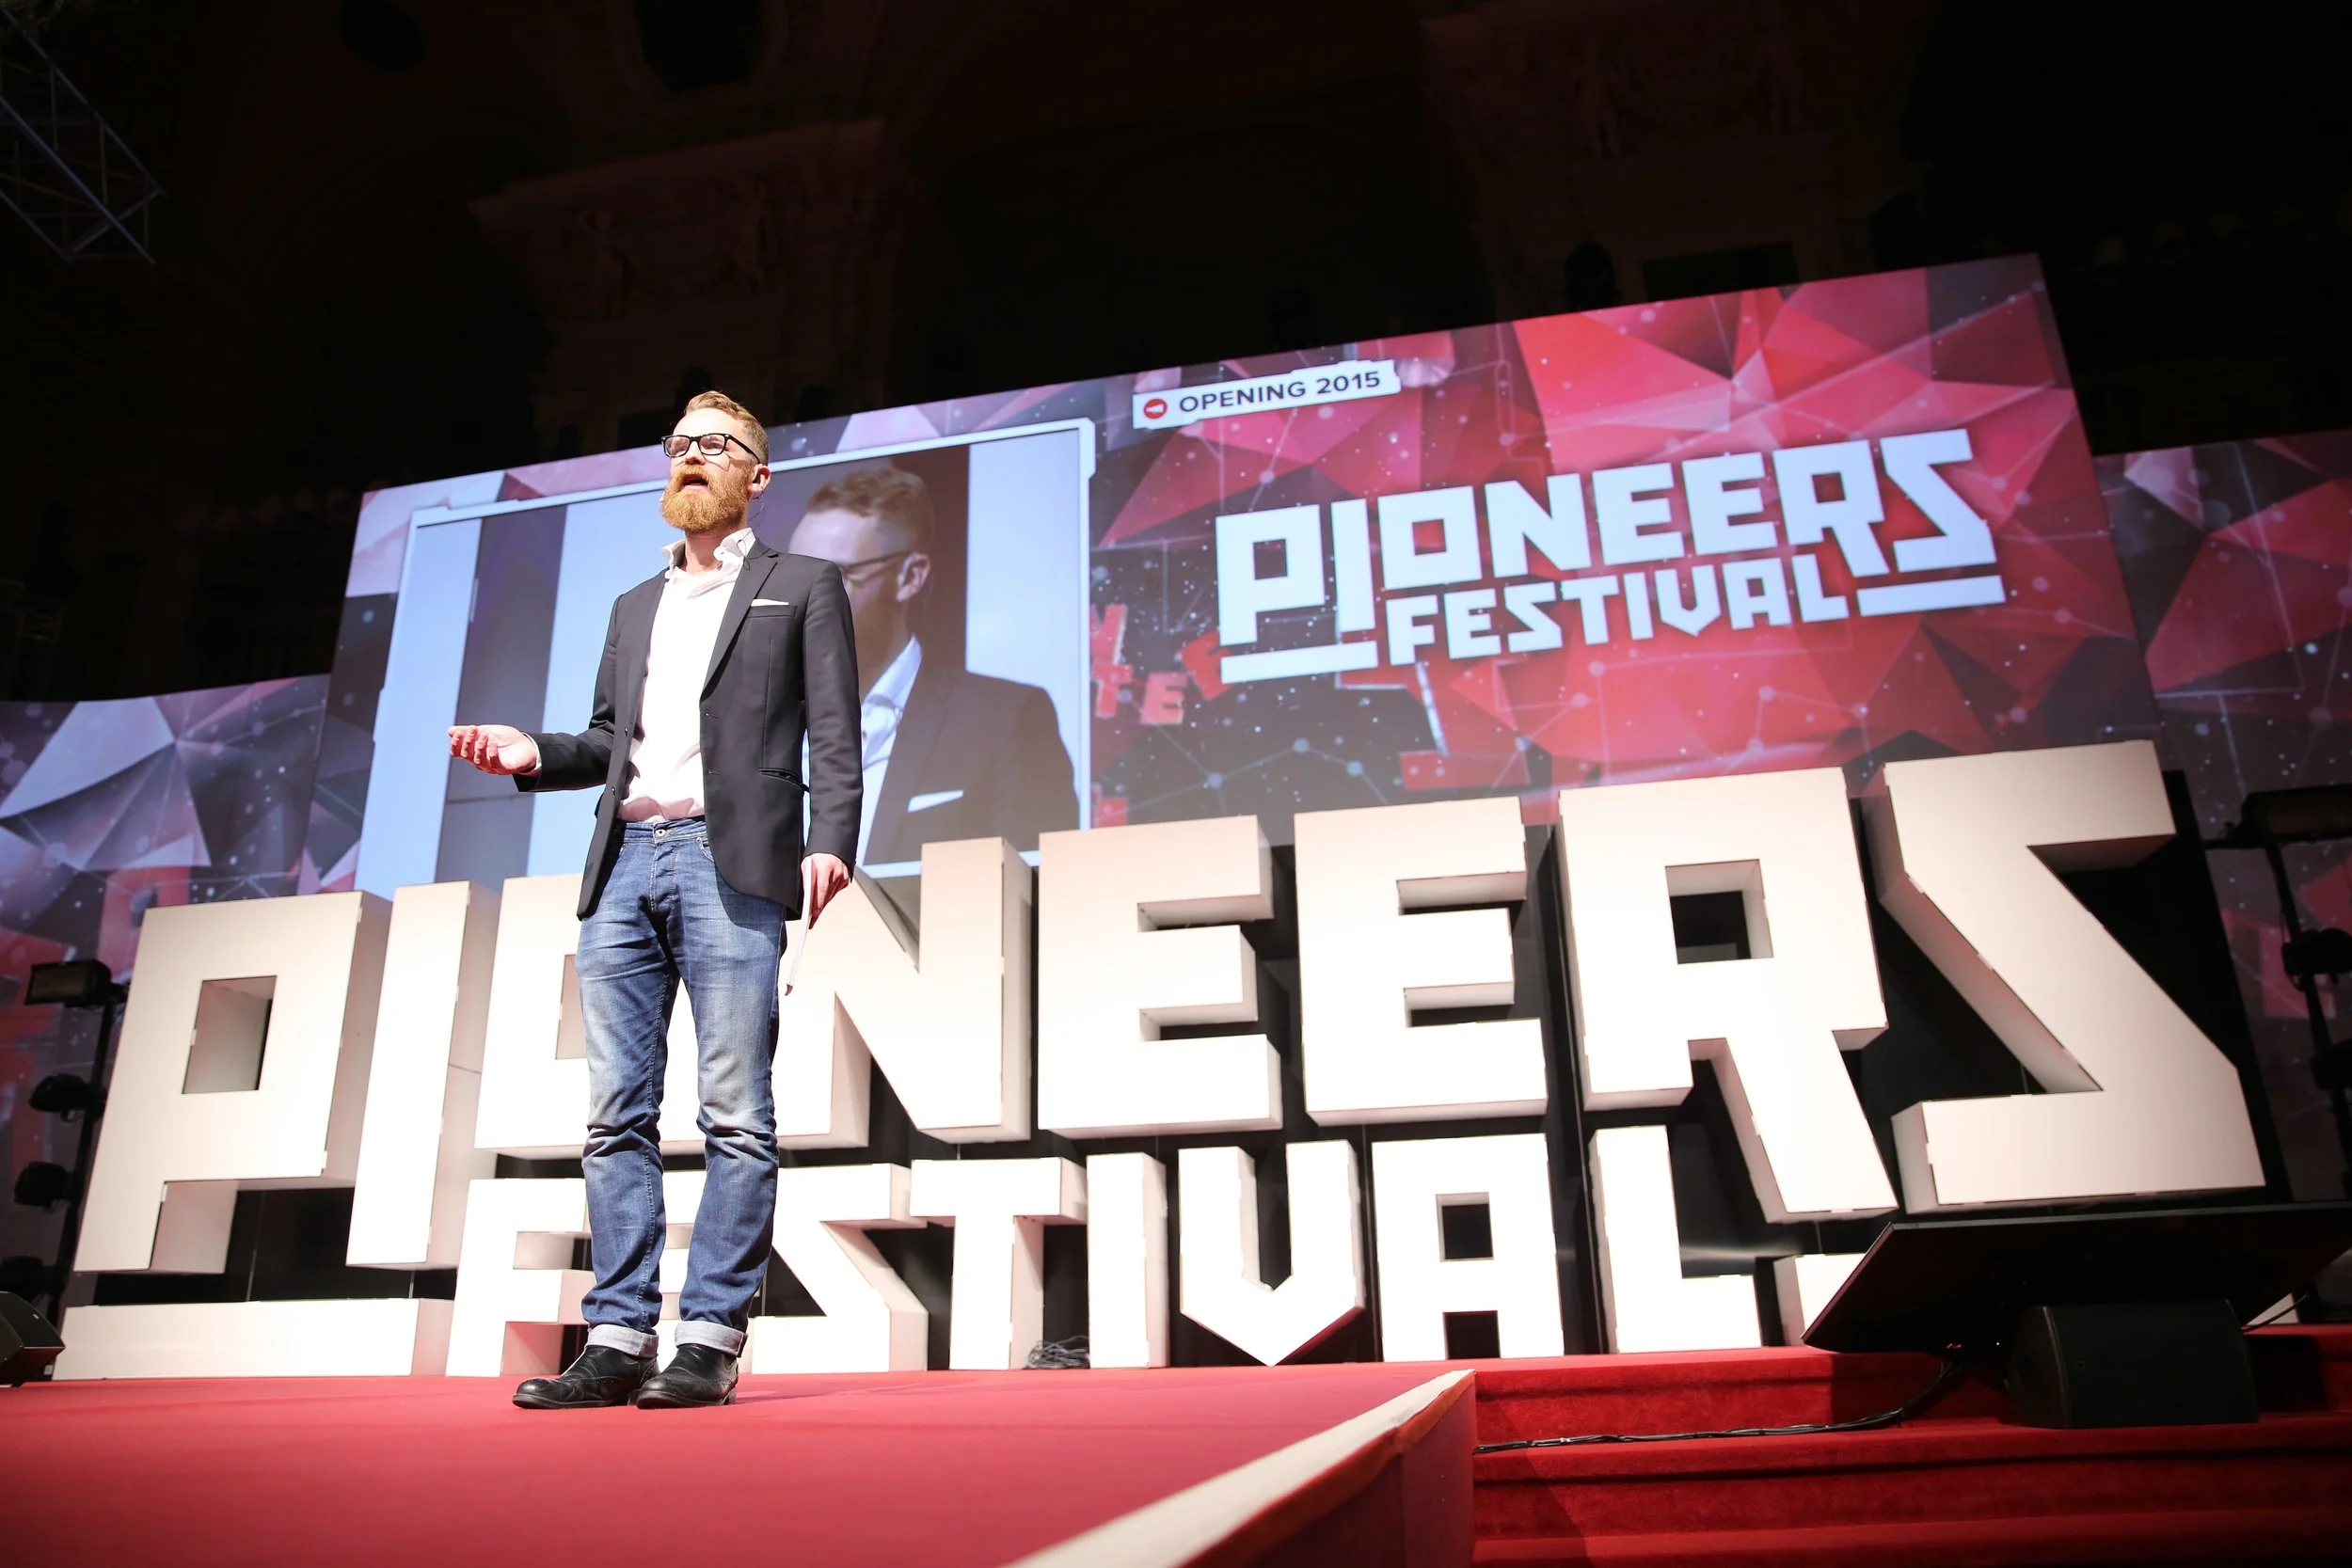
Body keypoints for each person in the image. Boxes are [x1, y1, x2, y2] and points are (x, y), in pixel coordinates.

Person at [447, 390, 859, 1410]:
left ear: (757, 475)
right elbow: (606, 738)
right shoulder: (635, 603)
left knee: (736, 1112)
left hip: (733, 859)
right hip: (625, 859)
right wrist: (532, 751)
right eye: (679, 445)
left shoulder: (801, 584)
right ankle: (618, 1336)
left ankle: (710, 1335)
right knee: (613, 1116)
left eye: (715, 445)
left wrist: (832, 840)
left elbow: (836, 729)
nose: (691, 457)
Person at [785, 466, 1076, 866]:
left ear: (910, 577)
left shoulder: (1005, 719)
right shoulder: (764, 725)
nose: (806, 601)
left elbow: (1039, 885)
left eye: (835, 577)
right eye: (795, 579)